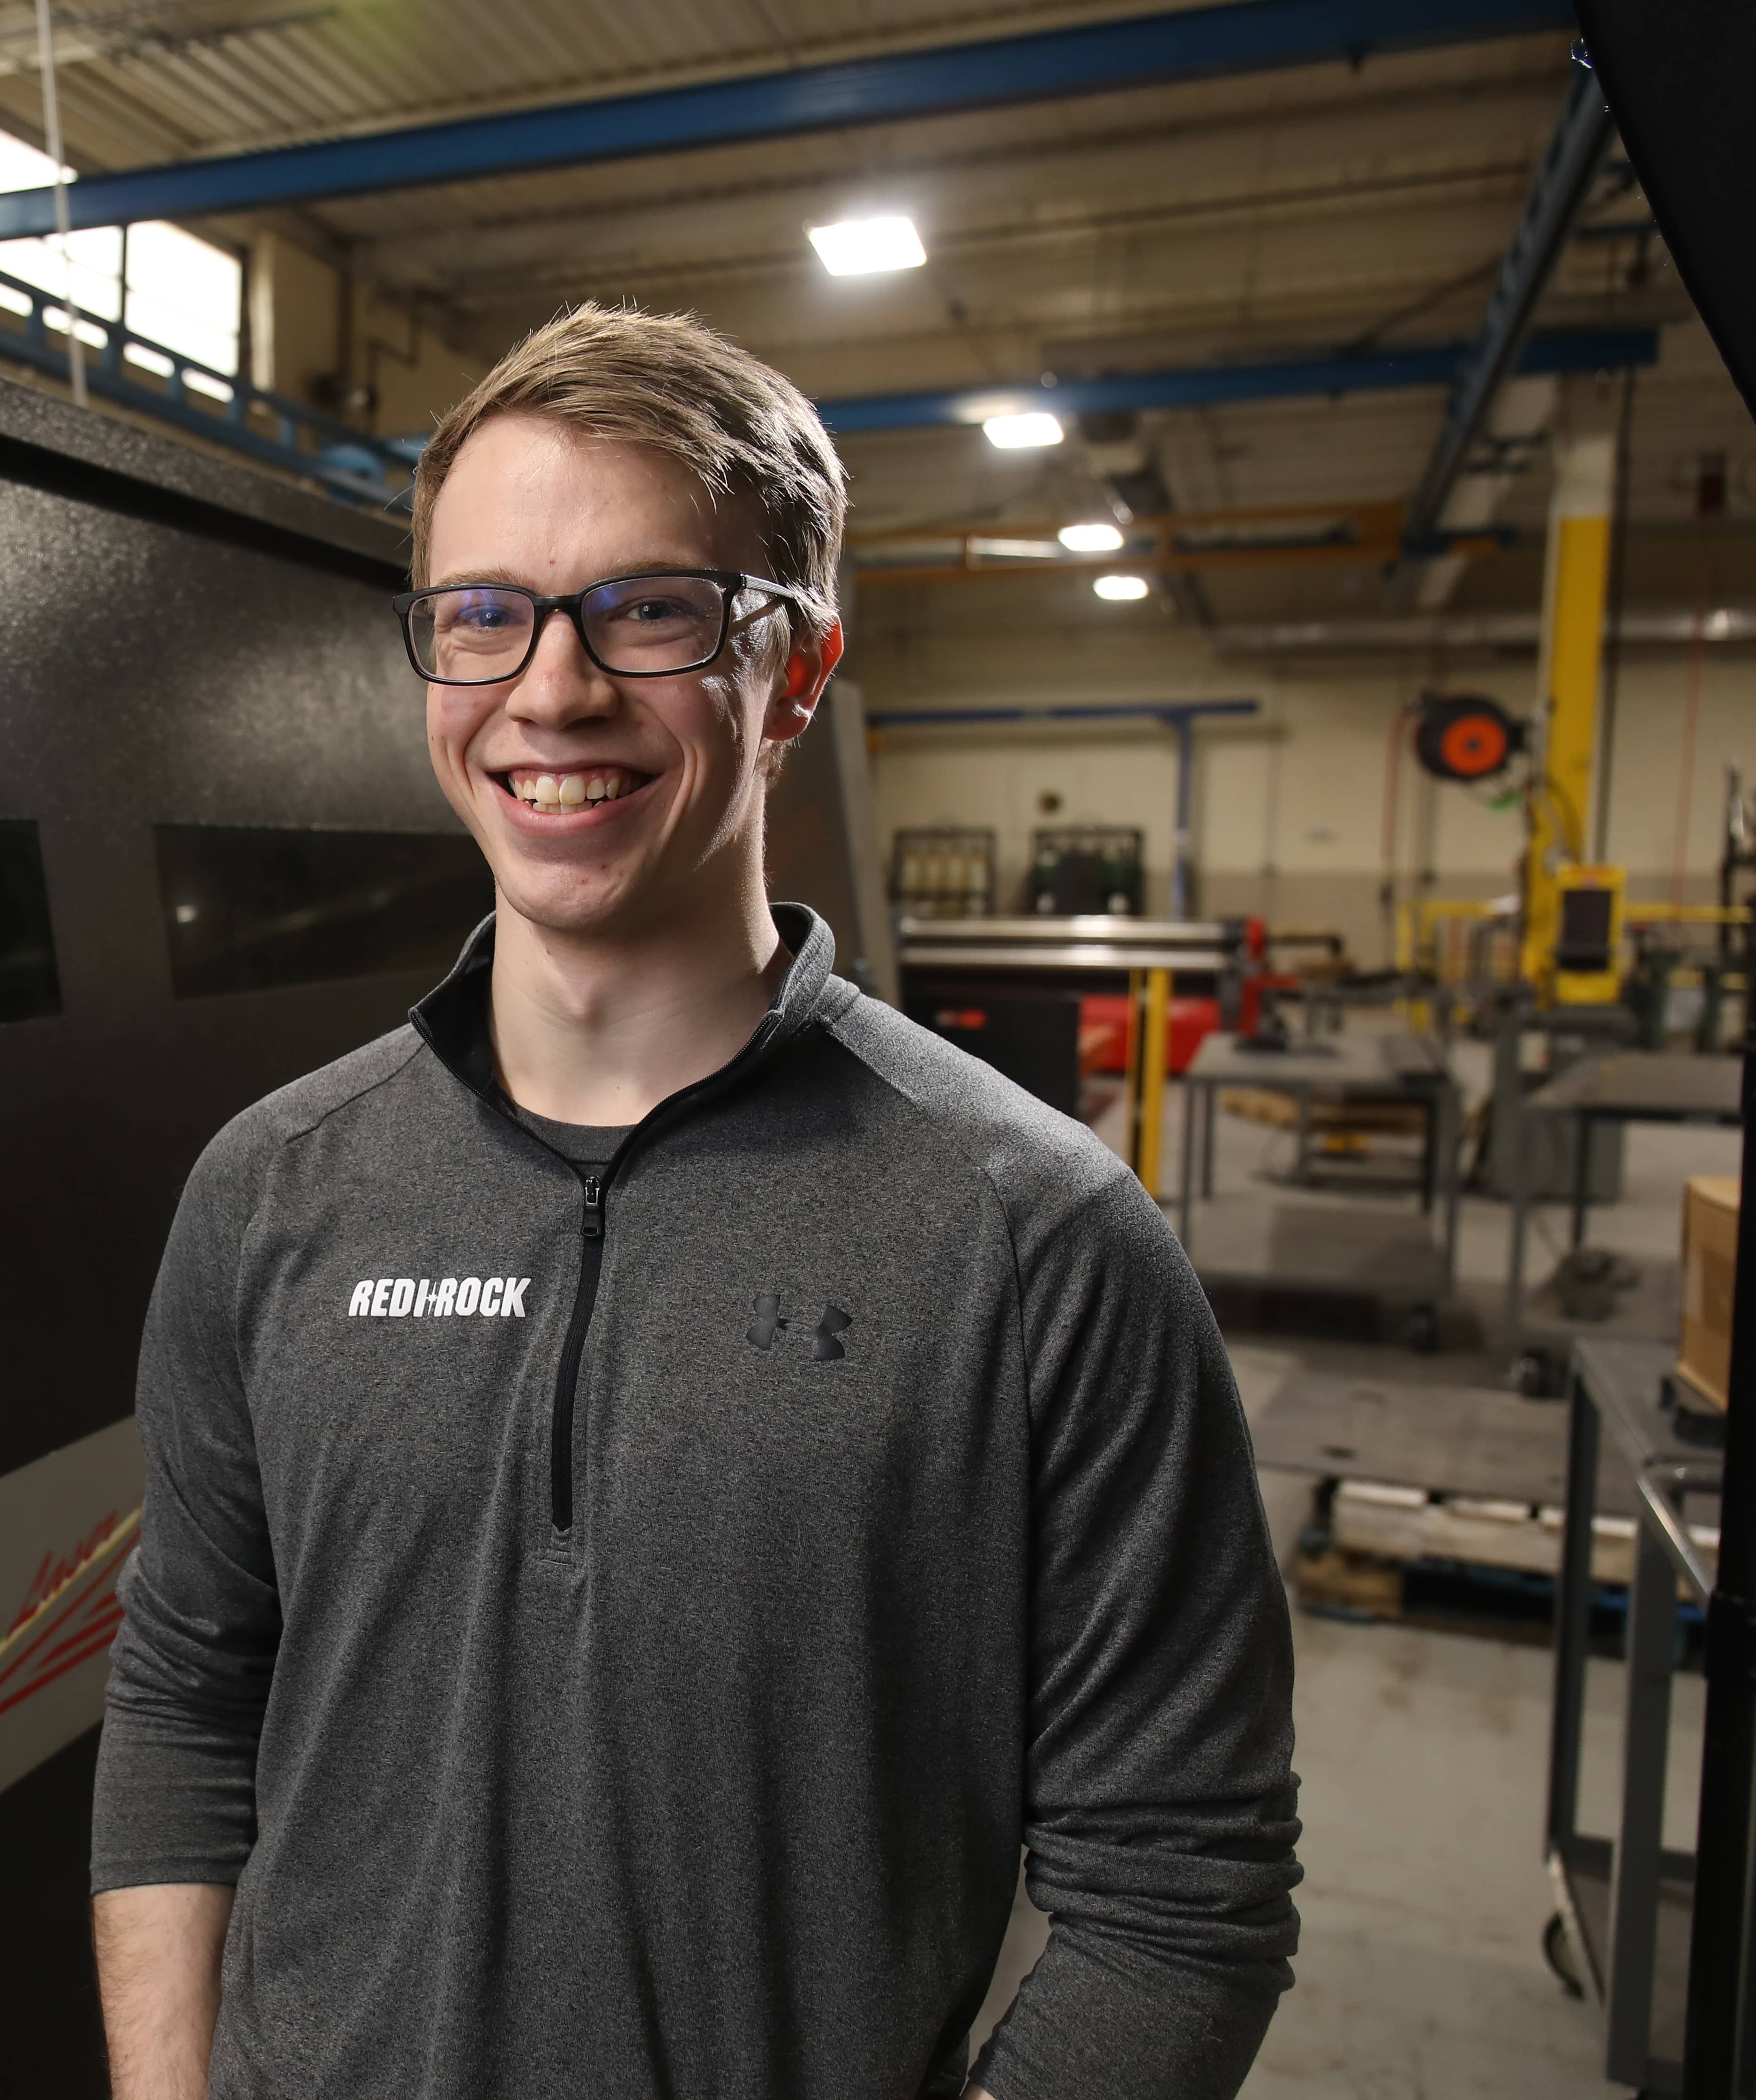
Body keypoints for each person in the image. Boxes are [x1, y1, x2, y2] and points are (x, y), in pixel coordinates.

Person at [86, 303, 1299, 2100]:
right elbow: (189, 1700)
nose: (548, 692)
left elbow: (1179, 1888)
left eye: (646, 610)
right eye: (483, 614)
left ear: (796, 667)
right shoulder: (272, 1193)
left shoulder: (1036, 1237)